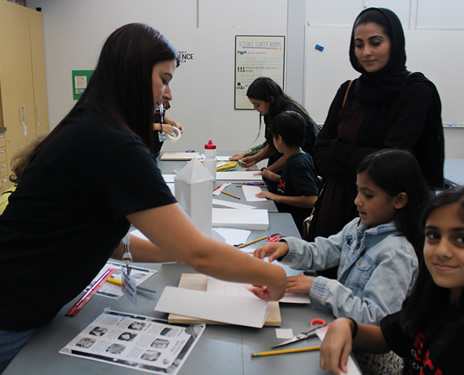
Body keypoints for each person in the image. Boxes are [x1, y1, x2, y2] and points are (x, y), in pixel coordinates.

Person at [0, 23, 286, 372]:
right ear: (134, 74)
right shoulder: (114, 145)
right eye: (164, 79)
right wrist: (273, 276)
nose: (168, 95)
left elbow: (106, 242)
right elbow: (198, 252)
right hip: (11, 313)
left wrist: (176, 252)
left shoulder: (90, 126)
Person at [255, 149, 430, 374]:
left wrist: (318, 286)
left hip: (368, 361)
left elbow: (374, 321)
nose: (357, 201)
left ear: (399, 200)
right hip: (341, 335)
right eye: (358, 191)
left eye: (368, 195)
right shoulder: (358, 227)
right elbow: (323, 251)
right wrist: (287, 247)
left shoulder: (397, 254)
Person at [319, 185, 464, 375]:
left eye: (463, 239)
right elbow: (389, 337)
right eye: (434, 236)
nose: (441, 251)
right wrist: (348, 326)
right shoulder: (436, 297)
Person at [310, 7, 444, 246]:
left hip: (389, 215)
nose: (366, 52)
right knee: (325, 274)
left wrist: (339, 150)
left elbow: (393, 162)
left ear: (395, 43)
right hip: (336, 206)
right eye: (359, 44)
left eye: (376, 42)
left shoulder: (416, 91)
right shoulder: (348, 90)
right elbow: (319, 153)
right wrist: (363, 156)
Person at [230, 77, 319, 175]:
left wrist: (266, 171)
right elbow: (272, 143)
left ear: (271, 99)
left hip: (298, 170)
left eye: (257, 104)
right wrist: (255, 158)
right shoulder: (271, 112)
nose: (255, 108)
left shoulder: (288, 117)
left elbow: (292, 153)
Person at [255, 110, 319, 236]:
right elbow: (294, 183)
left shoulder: (296, 164)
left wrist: (277, 197)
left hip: (293, 223)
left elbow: (312, 199)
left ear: (279, 139)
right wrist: (275, 177)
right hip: (289, 217)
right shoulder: (301, 156)